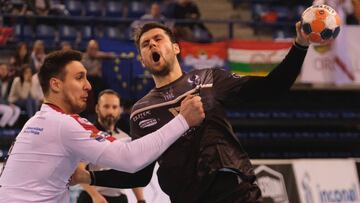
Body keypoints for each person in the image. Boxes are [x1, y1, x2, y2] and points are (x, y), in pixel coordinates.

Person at [73, 22, 309, 203]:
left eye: (158, 39)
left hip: (234, 192)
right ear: (142, 60)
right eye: (145, 44)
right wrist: (90, 177)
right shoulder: (141, 112)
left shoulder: (209, 79)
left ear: (175, 47)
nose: (152, 45)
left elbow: (270, 88)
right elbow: (139, 174)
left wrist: (299, 45)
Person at [0, 50, 205, 203]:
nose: (88, 85)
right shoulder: (63, 124)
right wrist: (183, 120)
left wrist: (88, 177)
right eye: (79, 77)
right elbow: (131, 159)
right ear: (56, 84)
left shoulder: (37, 121)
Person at [77, 89, 145, 203]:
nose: (110, 111)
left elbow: (132, 171)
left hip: (119, 198)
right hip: (92, 198)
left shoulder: (125, 138)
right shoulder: (87, 135)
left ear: (119, 110)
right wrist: (95, 196)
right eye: (106, 106)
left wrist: (141, 199)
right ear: (97, 108)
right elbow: (78, 170)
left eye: (114, 107)